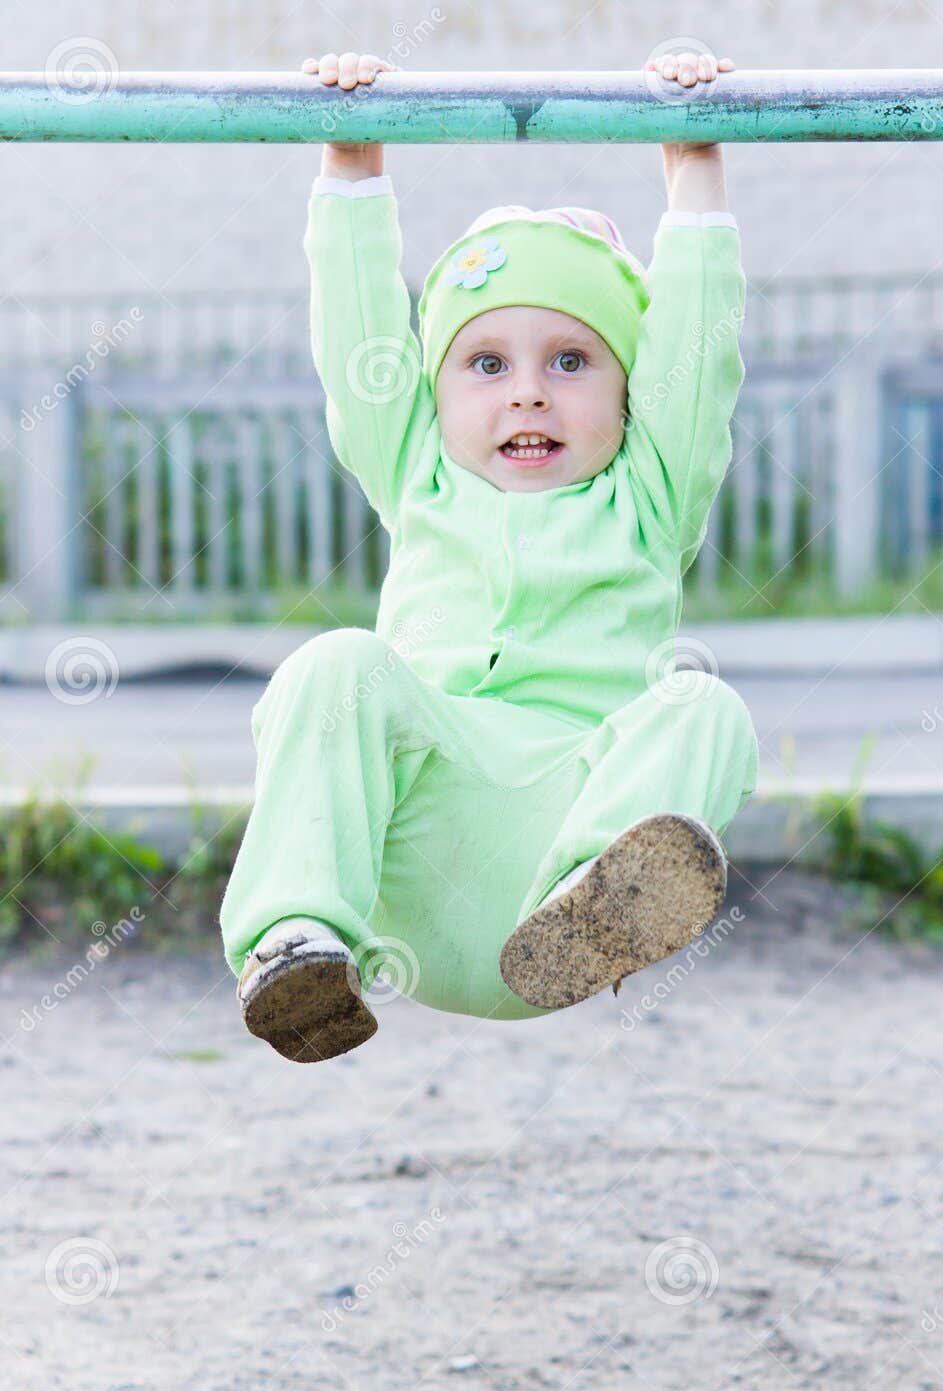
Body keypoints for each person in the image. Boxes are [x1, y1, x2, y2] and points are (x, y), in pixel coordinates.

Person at [219, 46, 759, 1063]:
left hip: (562, 859)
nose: (527, 392)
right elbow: (357, 342)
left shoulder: (649, 496)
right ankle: (296, 936)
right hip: (429, 857)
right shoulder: (418, 473)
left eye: (570, 359)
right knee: (336, 664)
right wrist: (351, 166)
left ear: (630, 391)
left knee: (708, 709)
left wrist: (692, 162)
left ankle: (599, 898)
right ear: (433, 392)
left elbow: (697, 353)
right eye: (484, 362)